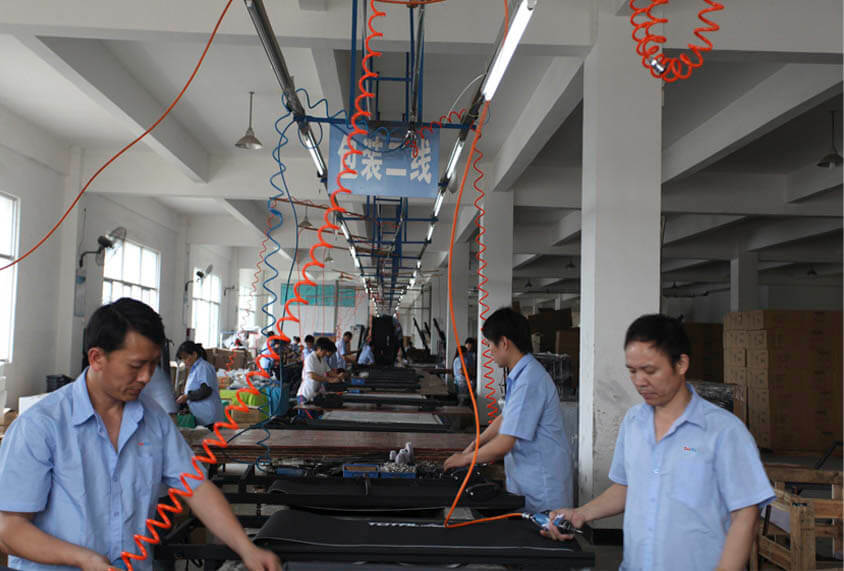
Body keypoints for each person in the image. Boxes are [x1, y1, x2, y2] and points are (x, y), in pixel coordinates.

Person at [0, 298, 281, 571]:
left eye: (152, 364)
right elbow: (9, 529)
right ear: (96, 358)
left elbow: (195, 487)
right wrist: (82, 559)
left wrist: (246, 548)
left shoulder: (153, 419)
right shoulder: (42, 426)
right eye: (136, 366)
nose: (147, 377)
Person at [543, 314, 774, 571]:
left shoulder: (724, 432)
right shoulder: (633, 423)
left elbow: (746, 514)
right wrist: (582, 513)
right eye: (632, 371)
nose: (640, 381)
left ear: (681, 364)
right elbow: (627, 488)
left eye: (650, 370)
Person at [444, 307, 572, 513]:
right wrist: (473, 445)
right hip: (528, 480)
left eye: (490, 345)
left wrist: (466, 459)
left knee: (541, 542)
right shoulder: (520, 375)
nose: (489, 351)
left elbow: (505, 443)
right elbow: (505, 418)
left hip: (541, 487)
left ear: (504, 343)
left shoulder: (529, 380)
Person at [175, 341, 226, 427]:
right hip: (203, 416)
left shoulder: (203, 367)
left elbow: (205, 390)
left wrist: (187, 397)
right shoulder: (195, 369)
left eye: (185, 358)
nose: (184, 361)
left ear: (194, 355)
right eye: (182, 359)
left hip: (209, 416)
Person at [297, 337, 342, 404]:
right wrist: (329, 379)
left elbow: (329, 372)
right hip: (305, 395)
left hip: (315, 394)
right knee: (305, 413)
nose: (326, 353)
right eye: (325, 351)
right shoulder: (310, 358)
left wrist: (339, 377)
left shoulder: (322, 359)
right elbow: (312, 375)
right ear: (319, 348)